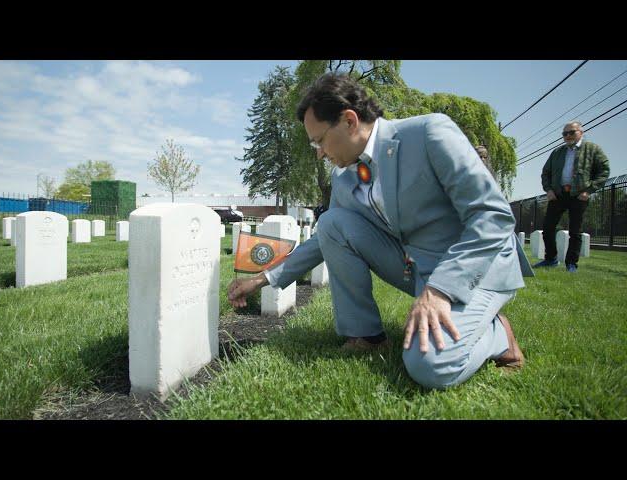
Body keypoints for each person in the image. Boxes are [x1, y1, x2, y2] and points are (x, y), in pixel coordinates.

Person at [227, 73, 533, 390]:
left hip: (477, 268)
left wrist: (441, 289)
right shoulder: (346, 178)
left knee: (431, 367)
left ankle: (499, 336)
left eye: (319, 140)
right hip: (418, 266)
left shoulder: (430, 133)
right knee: (332, 223)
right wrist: (262, 279)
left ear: (348, 121)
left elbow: (492, 215)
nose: (318, 152)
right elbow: (323, 241)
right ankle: (367, 336)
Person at [534, 121, 610, 273]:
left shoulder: (593, 150)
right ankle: (551, 259)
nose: (568, 136)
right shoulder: (557, 152)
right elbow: (546, 173)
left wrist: (588, 191)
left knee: (575, 231)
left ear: (580, 132)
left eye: (571, 132)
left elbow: (603, 171)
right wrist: (548, 190)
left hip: (578, 195)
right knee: (548, 228)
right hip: (558, 195)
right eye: (565, 133)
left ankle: (571, 264)